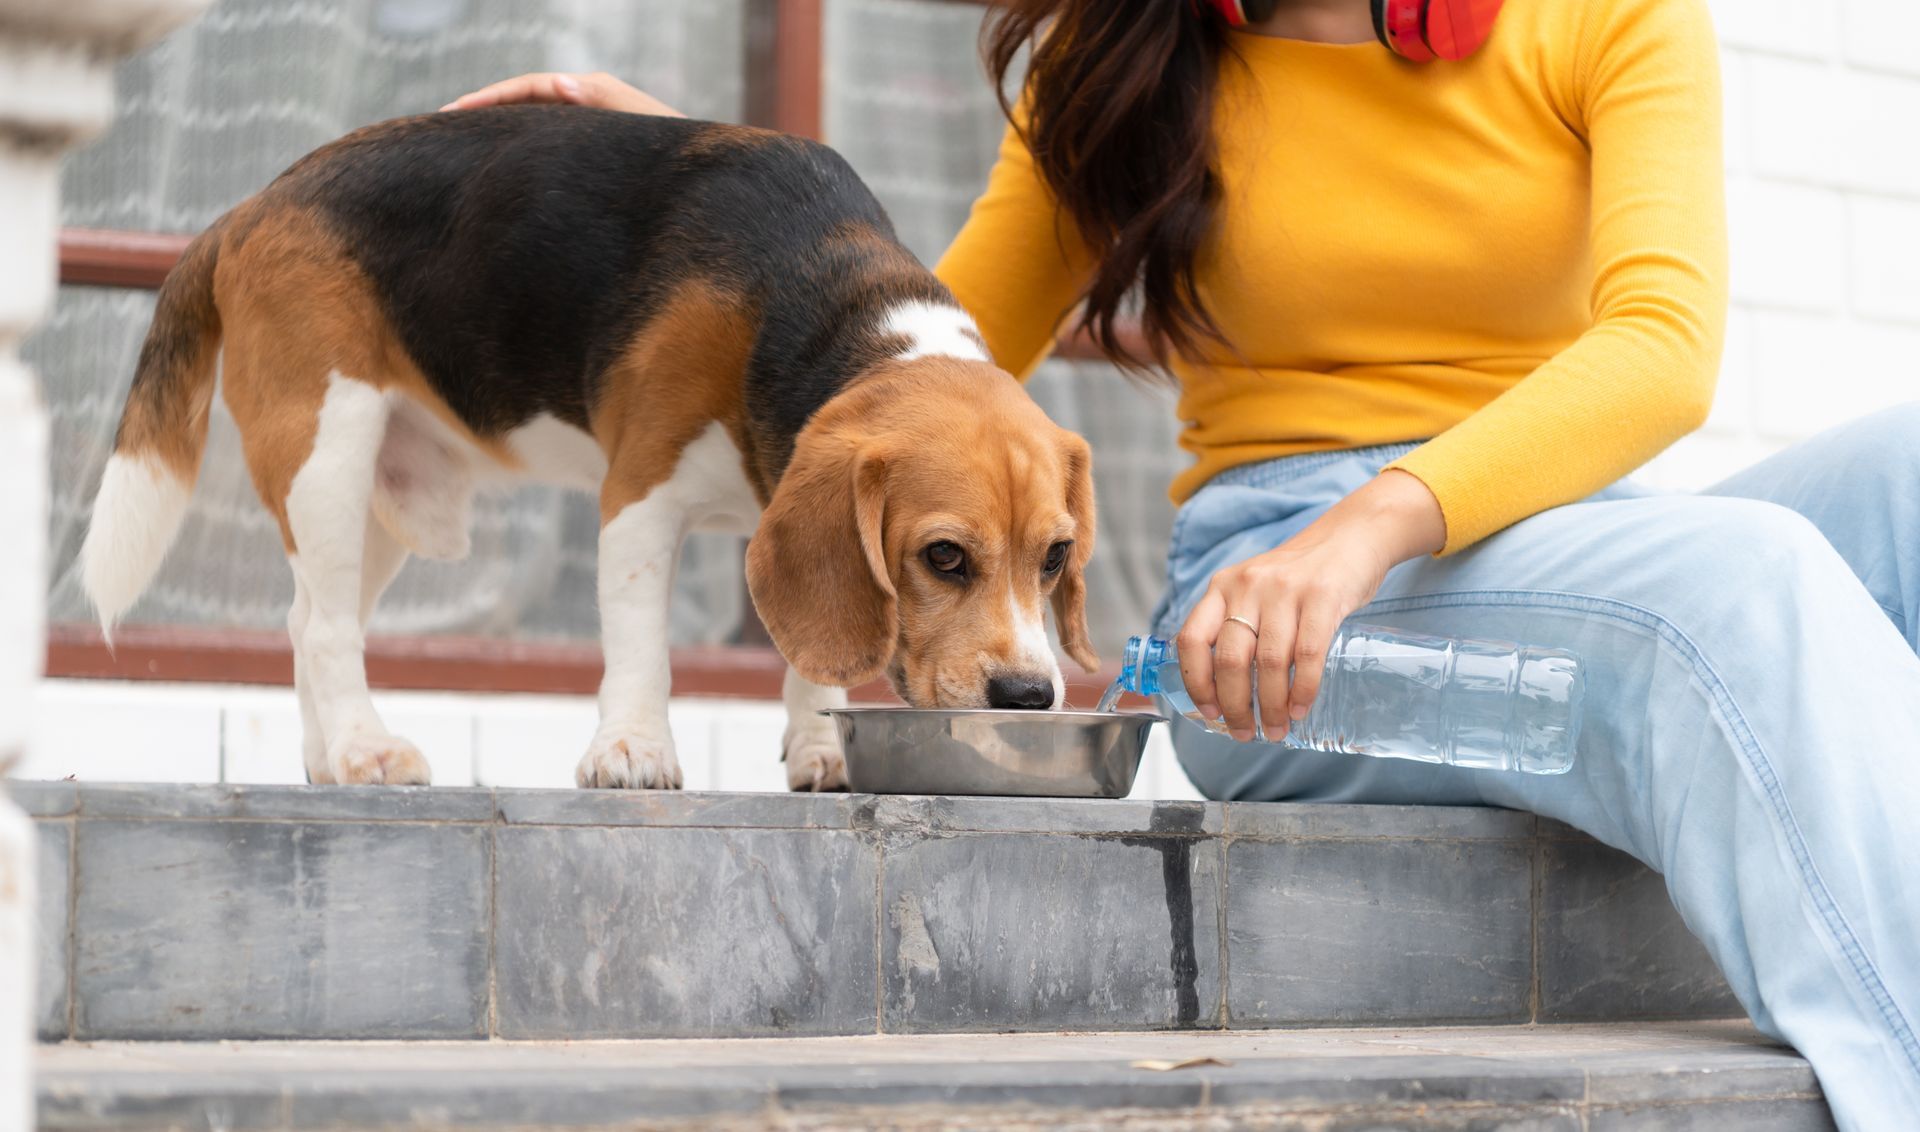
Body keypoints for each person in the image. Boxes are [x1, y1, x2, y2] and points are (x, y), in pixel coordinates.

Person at [444, 0, 1920, 1125]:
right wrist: (691, 183)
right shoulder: (1130, 58)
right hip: (1266, 607)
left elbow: (1663, 352)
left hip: (1514, 538)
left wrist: (1379, 527)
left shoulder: (1603, 17)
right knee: (1751, 600)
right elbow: (934, 353)